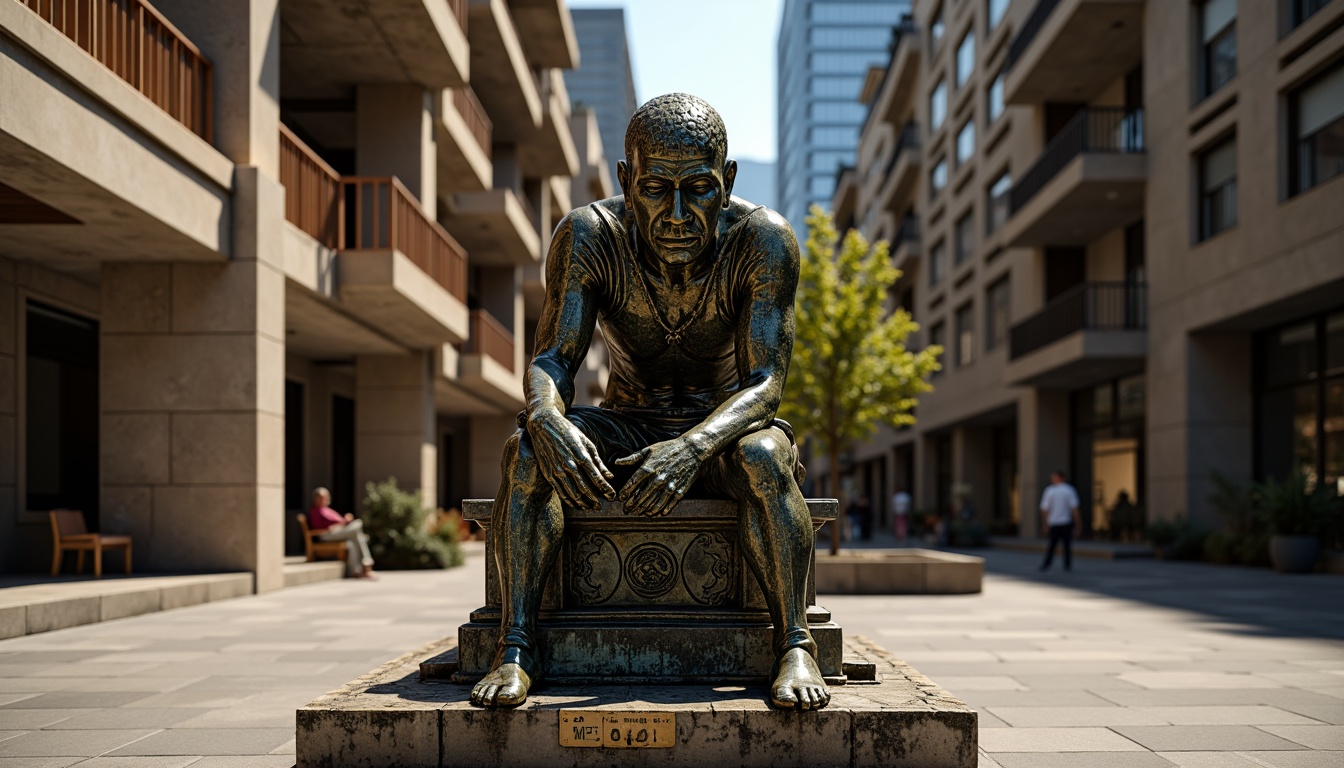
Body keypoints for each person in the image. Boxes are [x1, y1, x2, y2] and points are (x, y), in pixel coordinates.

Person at [469, 93, 828, 712]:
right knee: (526, 450)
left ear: (729, 180)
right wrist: (548, 415)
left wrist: (692, 447)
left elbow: (766, 382)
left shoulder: (763, 240)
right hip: (627, 422)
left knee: (767, 457)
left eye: (700, 189)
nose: (679, 213)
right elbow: (554, 359)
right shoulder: (589, 235)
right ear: (626, 180)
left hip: (723, 431)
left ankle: (794, 643)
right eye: (657, 188)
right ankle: (517, 646)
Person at [308, 487, 376, 580]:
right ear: (316, 498)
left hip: (337, 531)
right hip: (326, 535)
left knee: (353, 540)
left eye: (327, 496)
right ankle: (367, 566)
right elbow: (322, 528)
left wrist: (343, 522)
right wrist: (344, 521)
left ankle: (356, 571)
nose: (326, 499)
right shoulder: (316, 511)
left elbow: (337, 522)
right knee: (357, 525)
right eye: (323, 497)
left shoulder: (327, 509)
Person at [1038, 471, 1080, 571]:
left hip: (1056, 522)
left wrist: (1045, 524)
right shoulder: (1069, 490)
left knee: (1053, 545)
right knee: (1065, 545)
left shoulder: (1050, 490)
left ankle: (1047, 564)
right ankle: (1067, 565)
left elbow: (1045, 509)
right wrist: (1078, 524)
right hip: (1065, 522)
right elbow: (1075, 509)